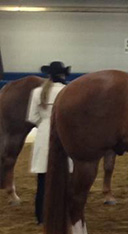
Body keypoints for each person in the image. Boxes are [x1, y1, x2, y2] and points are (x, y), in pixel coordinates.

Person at [26, 61, 71, 224]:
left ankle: (41, 216)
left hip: (44, 134)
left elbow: (32, 118)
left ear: (49, 75)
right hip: (64, 135)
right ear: (64, 75)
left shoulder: (38, 92)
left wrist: (44, 124)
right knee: (64, 179)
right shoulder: (68, 91)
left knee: (43, 181)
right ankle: (61, 215)